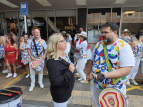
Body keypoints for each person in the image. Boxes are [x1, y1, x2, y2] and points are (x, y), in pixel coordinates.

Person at [85, 22, 135, 107]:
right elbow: (92, 60)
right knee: (98, 104)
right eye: (102, 32)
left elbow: (126, 70)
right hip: (97, 84)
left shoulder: (124, 46)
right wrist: (87, 73)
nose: (103, 34)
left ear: (115, 32)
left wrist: (106, 75)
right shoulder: (99, 44)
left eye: (106, 32)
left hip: (115, 87)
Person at [46, 33, 75, 107]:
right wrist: (70, 71)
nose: (66, 42)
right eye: (62, 41)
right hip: (61, 95)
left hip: (66, 91)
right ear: (55, 44)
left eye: (65, 40)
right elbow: (54, 81)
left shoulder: (64, 55)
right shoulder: (53, 61)